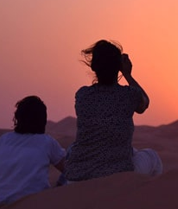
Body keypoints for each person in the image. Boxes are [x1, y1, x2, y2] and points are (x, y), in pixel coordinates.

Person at [63, 40, 162, 182]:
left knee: (73, 148)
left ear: (93, 67)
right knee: (152, 157)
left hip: (78, 176)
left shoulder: (82, 95)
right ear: (118, 67)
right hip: (118, 173)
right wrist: (127, 74)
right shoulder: (129, 95)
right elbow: (144, 103)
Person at [0, 96, 66, 209]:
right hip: (31, 207)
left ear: (18, 117)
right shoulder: (46, 142)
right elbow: (70, 170)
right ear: (43, 119)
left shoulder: (3, 140)